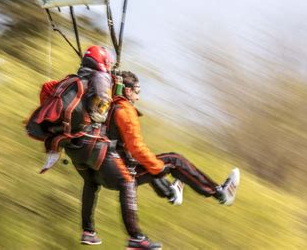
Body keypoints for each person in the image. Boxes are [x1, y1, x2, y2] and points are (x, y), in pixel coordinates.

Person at [70, 70, 240, 249]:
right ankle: (219, 192)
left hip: (100, 171)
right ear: (127, 91)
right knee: (173, 160)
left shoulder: (105, 106)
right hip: (118, 170)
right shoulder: (125, 111)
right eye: (137, 91)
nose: (138, 96)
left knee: (149, 164)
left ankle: (170, 192)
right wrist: (158, 168)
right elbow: (137, 149)